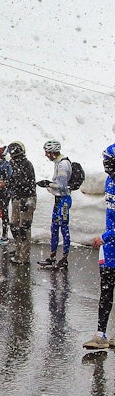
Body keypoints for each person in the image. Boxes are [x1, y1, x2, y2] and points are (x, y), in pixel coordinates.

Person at [82, 145, 115, 349]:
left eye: (108, 161)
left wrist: (105, 236)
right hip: (110, 248)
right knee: (106, 290)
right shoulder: (110, 182)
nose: (105, 165)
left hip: (109, 239)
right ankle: (100, 334)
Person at [37, 140, 73, 270]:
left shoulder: (63, 164)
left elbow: (62, 186)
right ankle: (52, 257)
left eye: (47, 152)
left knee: (63, 228)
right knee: (54, 228)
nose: (46, 155)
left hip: (64, 199)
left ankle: (64, 258)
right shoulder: (58, 162)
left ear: (53, 152)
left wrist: (47, 183)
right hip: (58, 200)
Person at [4, 141, 37, 264]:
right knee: (14, 225)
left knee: (24, 228)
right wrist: (6, 183)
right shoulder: (13, 164)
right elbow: (12, 179)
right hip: (17, 198)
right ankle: (18, 251)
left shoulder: (27, 165)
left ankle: (24, 256)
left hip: (26, 198)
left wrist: (8, 184)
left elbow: (25, 183)